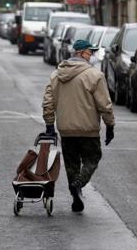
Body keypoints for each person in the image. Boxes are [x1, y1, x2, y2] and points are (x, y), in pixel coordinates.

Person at [42, 39, 115, 212]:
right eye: (90, 52)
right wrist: (110, 125)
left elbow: (48, 102)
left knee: (71, 164)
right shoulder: (95, 75)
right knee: (93, 158)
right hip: (88, 129)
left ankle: (75, 194)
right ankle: (79, 184)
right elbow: (104, 105)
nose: (92, 56)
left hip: (66, 130)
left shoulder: (56, 75)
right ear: (81, 53)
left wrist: (50, 125)